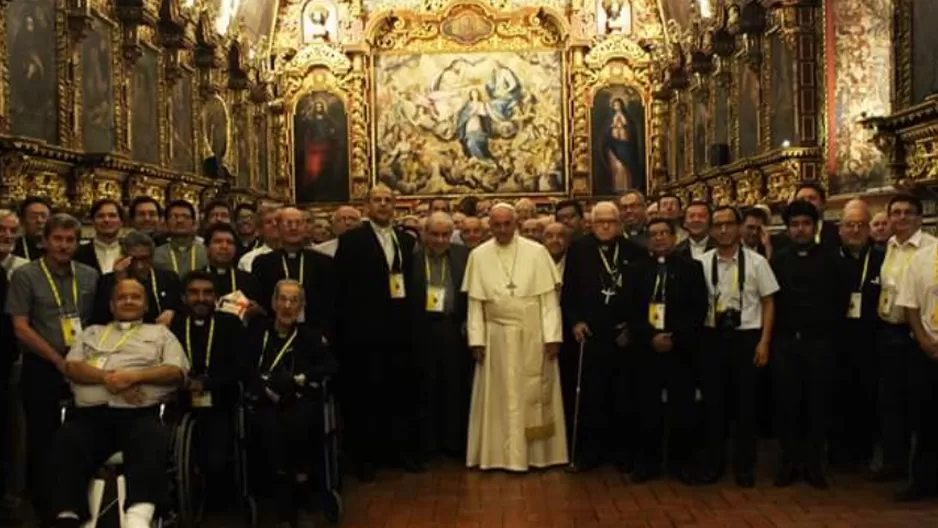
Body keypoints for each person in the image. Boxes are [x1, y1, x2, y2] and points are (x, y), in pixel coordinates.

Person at [48, 278, 188, 528]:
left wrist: (135, 377)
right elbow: (71, 367)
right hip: (91, 417)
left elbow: (176, 372)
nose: (128, 301)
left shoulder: (161, 334)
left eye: (135, 297)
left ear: (146, 306)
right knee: (67, 437)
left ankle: (138, 516)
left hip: (140, 415)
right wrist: (109, 380)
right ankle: (67, 516)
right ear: (111, 306)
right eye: (122, 297)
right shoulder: (91, 333)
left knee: (151, 436)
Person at [6, 214, 99, 526]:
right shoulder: (25, 276)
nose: (63, 245)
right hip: (42, 366)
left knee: (80, 435)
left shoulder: (88, 275)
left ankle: (77, 503)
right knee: (42, 437)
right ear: (44, 240)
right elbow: (20, 327)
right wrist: (59, 362)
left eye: (70, 240)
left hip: (83, 366)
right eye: (57, 239)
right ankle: (43, 506)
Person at [462, 203, 568, 471]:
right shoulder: (478, 255)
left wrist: (553, 336)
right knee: (499, 397)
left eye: (506, 224)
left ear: (515, 223)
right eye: (496, 225)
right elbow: (475, 305)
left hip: (533, 334)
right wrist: (477, 341)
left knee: (533, 396)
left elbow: (549, 301)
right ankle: (497, 455)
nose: (501, 229)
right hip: (496, 337)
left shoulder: (537, 252)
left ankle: (537, 456)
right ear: (490, 225)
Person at [334, 185, 422, 479]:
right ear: (367, 205)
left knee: (399, 394)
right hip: (364, 332)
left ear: (395, 205)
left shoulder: (406, 240)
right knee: (366, 396)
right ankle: (365, 459)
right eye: (377, 200)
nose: (383, 205)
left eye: (388, 200)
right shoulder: (352, 240)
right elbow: (343, 288)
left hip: (399, 332)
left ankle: (400, 452)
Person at [697, 206, 778, 488]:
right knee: (713, 406)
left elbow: (769, 302)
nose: (723, 230)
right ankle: (713, 464)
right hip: (713, 338)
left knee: (746, 406)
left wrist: (764, 342)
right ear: (711, 229)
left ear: (739, 227)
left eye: (729, 224)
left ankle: (745, 467)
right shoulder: (703, 263)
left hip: (747, 338)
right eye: (717, 225)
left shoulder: (757, 263)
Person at [769, 200, 849, 489]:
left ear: (815, 227)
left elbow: (841, 302)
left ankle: (815, 465)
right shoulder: (777, 260)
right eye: (794, 225)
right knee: (787, 405)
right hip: (786, 344)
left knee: (817, 406)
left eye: (805, 224)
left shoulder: (832, 260)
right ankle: (789, 462)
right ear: (788, 229)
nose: (800, 229)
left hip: (820, 344)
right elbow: (771, 302)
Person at [244, 280, 335, 528]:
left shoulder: (310, 335)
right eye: (282, 299)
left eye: (294, 301)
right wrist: (264, 389)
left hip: (299, 399)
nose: (287, 306)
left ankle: (302, 499)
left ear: (301, 306)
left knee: (302, 423)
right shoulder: (256, 332)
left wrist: (302, 378)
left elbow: (330, 365)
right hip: (264, 401)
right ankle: (284, 508)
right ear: (273, 303)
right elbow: (245, 367)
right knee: (271, 430)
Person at [562, 202, 645, 471]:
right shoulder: (578, 249)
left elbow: (643, 296)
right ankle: (591, 453)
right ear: (591, 224)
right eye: (601, 222)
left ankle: (622, 452)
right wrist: (576, 321)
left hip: (623, 334)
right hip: (591, 334)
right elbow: (569, 291)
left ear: (620, 224)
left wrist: (632, 327)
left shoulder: (635, 251)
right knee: (591, 396)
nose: (606, 226)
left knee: (624, 396)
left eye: (611, 221)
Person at [625, 217, 707, 484]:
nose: (659, 238)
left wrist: (674, 337)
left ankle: (681, 463)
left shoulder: (691, 268)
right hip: (646, 349)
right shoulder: (636, 270)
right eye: (654, 234)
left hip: (680, 349)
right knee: (646, 408)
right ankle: (647, 463)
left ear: (675, 237)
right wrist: (651, 337)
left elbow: (698, 309)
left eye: (664, 233)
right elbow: (632, 310)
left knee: (682, 408)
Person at [874, 194, 936, 483]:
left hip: (918, 335)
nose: (901, 218)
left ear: (919, 218)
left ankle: (920, 473)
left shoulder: (931, 249)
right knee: (890, 402)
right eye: (895, 213)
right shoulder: (887, 247)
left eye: (907, 213)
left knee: (920, 407)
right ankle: (892, 464)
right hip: (889, 331)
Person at [169, 271, 243, 507]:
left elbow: (239, 365)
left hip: (219, 399)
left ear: (217, 298)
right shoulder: (175, 324)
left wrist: (207, 383)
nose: (200, 298)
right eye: (194, 293)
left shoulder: (230, 323)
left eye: (207, 293)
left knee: (216, 458)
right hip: (180, 398)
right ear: (183, 298)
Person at [410, 212, 471, 460]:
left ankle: (453, 443)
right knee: (426, 386)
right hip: (422, 329)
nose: (440, 239)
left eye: (445, 234)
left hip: (453, 328)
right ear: (425, 234)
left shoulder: (463, 256)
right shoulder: (412, 259)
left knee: (454, 386)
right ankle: (428, 444)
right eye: (435, 234)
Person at [829, 200, 884, 469]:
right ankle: (839, 453)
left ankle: (864, 453)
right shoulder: (828, 259)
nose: (854, 230)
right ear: (839, 229)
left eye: (860, 225)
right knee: (837, 396)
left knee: (868, 397)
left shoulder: (882, 259)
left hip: (871, 340)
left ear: (869, 229)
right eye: (849, 225)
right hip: (837, 340)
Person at [896, 225, 938, 501]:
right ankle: (923, 482)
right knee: (926, 422)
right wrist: (923, 339)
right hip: (929, 350)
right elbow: (910, 305)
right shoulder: (923, 257)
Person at [253, 208, 334, 333]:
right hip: (274, 333)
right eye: (288, 223)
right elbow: (261, 304)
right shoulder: (263, 263)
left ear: (306, 228)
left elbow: (329, 304)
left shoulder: (323, 262)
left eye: (298, 223)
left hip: (314, 332)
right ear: (278, 229)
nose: (293, 228)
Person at [92, 231, 182, 326]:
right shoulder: (108, 281)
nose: (140, 266)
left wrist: (172, 313)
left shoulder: (168, 279)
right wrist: (119, 281)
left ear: (152, 257)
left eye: (144, 259)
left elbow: (181, 310)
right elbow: (100, 319)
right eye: (134, 259)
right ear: (124, 257)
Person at [203, 223, 263, 317]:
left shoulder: (249, 281)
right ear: (207, 248)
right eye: (218, 241)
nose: (224, 246)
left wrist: (256, 310)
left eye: (229, 242)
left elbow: (260, 312)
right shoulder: (196, 279)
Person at [772, 181, 839, 254]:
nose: (806, 202)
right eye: (801, 199)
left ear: (823, 204)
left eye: (812, 198)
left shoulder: (838, 233)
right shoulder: (780, 240)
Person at [153, 200, 208, 277]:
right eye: (174, 216)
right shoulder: (156, 254)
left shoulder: (206, 252)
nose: (180, 220)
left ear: (193, 222)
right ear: (166, 222)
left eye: (186, 216)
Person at [74, 199, 124, 274]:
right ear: (92, 222)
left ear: (121, 222)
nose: (106, 220)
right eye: (100, 216)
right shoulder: (77, 253)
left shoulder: (129, 252)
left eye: (112, 216)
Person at [238, 206, 281, 273]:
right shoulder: (247, 260)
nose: (275, 224)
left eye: (278, 221)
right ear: (260, 230)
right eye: (269, 222)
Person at [14, 196, 51, 261]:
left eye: (44, 216)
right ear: (22, 221)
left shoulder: (58, 247)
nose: (39, 220)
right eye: (34, 216)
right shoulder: (14, 247)